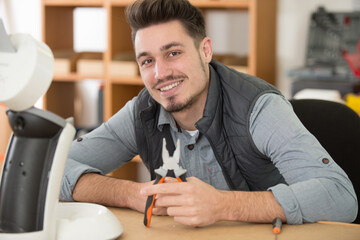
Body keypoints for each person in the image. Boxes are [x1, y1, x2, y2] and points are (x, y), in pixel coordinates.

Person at [60, 0, 357, 227]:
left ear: (205, 51)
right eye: (147, 60)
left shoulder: (259, 108)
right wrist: (132, 195)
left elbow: (340, 197)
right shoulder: (142, 112)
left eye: (173, 53)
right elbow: (51, 170)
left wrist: (223, 205)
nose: (160, 73)